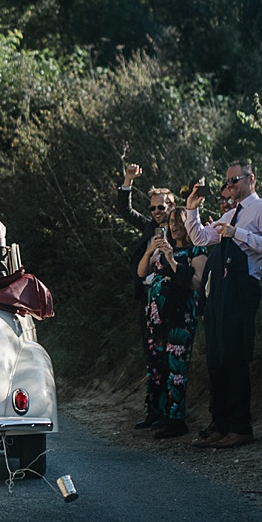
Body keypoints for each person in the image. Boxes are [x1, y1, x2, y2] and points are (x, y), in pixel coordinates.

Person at [182, 160, 262, 449]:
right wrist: (192, 207)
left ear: (251, 178)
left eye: (234, 180)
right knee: (216, 357)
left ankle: (240, 426)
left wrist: (237, 233)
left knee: (235, 357)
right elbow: (200, 237)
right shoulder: (231, 213)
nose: (229, 186)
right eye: (226, 182)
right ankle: (220, 424)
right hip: (220, 293)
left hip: (242, 288)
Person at [119, 163, 180, 428]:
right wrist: (128, 181)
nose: (157, 212)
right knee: (151, 355)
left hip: (171, 300)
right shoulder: (148, 229)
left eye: (162, 207)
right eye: (153, 207)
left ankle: (171, 413)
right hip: (146, 299)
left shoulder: (183, 231)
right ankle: (154, 411)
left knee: (170, 355)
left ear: (172, 206)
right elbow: (124, 211)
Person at [137, 207, 201, 438]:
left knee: (176, 366)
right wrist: (151, 251)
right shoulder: (163, 246)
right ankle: (157, 412)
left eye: (178, 222)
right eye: (171, 222)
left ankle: (176, 419)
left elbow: (197, 282)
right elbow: (142, 272)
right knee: (157, 363)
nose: (174, 226)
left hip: (179, 316)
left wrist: (172, 260)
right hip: (157, 317)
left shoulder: (196, 249)